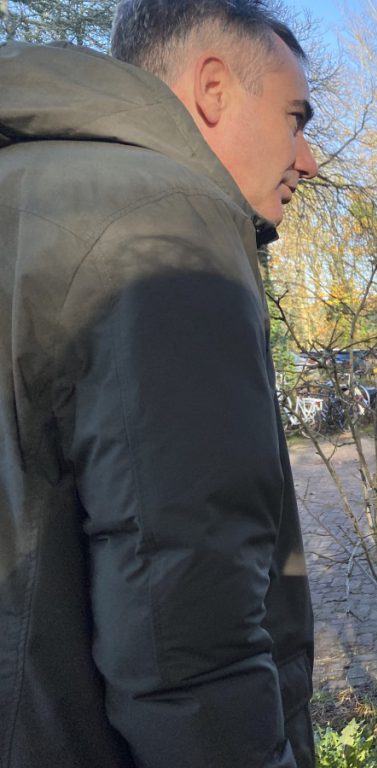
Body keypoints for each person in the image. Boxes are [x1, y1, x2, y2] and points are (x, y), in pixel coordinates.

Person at [0, 1, 319, 766]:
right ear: (213, 89)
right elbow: (187, 637)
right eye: (295, 119)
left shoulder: (25, 192)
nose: (308, 160)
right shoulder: (167, 223)